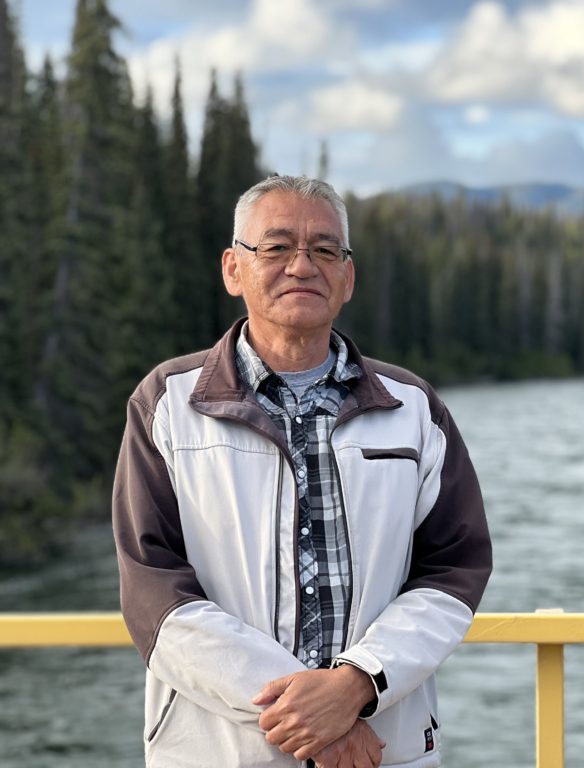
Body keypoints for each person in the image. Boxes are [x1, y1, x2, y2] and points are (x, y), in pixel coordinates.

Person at [113, 175, 492, 768]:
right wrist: (317, 718)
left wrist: (357, 685)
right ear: (233, 269)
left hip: (383, 751)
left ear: (348, 277)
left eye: (324, 250)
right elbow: (154, 590)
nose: (301, 265)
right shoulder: (166, 403)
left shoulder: (414, 408)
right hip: (222, 752)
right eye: (276, 246)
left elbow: (453, 571)